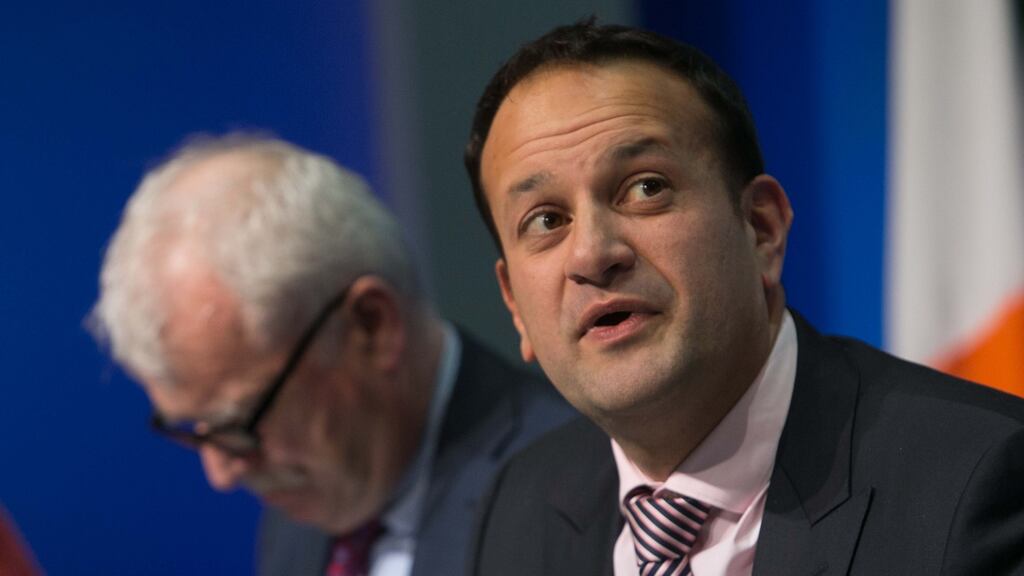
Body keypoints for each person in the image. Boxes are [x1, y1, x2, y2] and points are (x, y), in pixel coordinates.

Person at [463, 21, 1024, 576]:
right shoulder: (518, 511)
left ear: (761, 228)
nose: (591, 254)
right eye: (546, 220)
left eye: (645, 187)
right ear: (514, 303)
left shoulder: (974, 482)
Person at [90, 134, 572, 576]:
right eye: (195, 430)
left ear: (371, 326)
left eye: (241, 421)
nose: (221, 474)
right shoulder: (299, 521)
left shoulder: (574, 497)